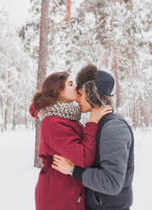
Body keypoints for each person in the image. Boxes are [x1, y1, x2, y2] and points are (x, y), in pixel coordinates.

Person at [52, 65, 134, 210]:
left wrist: (73, 170)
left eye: (81, 94)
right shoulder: (100, 124)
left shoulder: (114, 128)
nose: (77, 99)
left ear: (92, 95)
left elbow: (112, 182)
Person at [29, 71, 112, 210]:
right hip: (58, 194)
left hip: (68, 189)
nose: (76, 87)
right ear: (57, 90)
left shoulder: (66, 117)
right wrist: (92, 122)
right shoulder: (53, 123)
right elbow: (84, 158)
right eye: (70, 84)